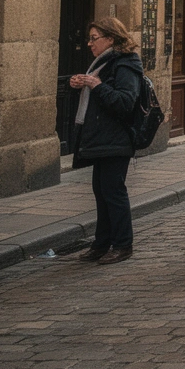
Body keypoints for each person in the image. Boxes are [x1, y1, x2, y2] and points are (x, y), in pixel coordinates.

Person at [71, 17, 144, 265]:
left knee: (114, 193)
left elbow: (125, 102)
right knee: (101, 193)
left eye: (94, 38)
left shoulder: (126, 63)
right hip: (101, 139)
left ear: (110, 39)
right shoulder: (102, 62)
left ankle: (123, 244)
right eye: (89, 39)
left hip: (116, 139)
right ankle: (101, 244)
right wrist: (80, 85)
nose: (90, 44)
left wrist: (95, 84)